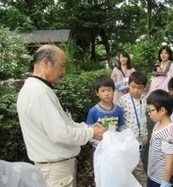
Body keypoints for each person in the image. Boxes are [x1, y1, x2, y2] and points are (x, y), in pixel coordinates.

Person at [16, 44, 106, 187]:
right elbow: (60, 134)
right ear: (46, 62)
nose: (63, 72)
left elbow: (63, 123)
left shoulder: (39, 88)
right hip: (56, 171)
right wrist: (91, 133)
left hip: (56, 169)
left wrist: (87, 127)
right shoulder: (38, 92)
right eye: (61, 66)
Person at [119, 71, 148, 186]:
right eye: (133, 87)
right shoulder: (123, 100)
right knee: (138, 165)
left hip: (143, 135)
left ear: (144, 88)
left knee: (139, 160)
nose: (136, 90)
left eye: (139, 88)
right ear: (129, 85)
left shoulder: (145, 99)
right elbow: (120, 120)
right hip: (130, 137)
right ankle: (143, 183)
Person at [146, 89, 173, 187]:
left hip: (160, 179)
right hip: (152, 173)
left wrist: (165, 182)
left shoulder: (168, 134)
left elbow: (169, 162)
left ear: (162, 110)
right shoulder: (158, 124)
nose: (149, 113)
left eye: (151, 110)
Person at [86, 75, 125, 148]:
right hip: (100, 148)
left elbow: (122, 128)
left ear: (113, 91)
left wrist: (119, 141)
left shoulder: (118, 110)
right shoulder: (93, 111)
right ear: (97, 92)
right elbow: (89, 131)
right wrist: (99, 143)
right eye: (103, 91)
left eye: (109, 90)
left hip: (115, 147)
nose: (106, 94)